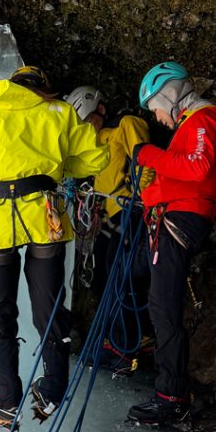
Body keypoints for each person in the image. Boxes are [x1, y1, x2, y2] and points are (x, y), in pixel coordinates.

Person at [0, 66, 109, 428]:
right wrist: (57, 167)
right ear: (43, 88)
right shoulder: (59, 113)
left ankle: (6, 398)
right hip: (44, 216)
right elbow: (94, 159)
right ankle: (53, 388)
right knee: (50, 307)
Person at [127, 61, 216, 426]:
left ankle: (171, 397)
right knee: (145, 289)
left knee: (163, 309)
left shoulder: (202, 121)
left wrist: (147, 154)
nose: (158, 118)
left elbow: (196, 168)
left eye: (155, 108)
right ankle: (150, 369)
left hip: (179, 222)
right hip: (174, 219)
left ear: (169, 95)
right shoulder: (196, 124)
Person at [63, 86, 152, 373]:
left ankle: (125, 346)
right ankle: (119, 339)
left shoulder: (126, 124)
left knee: (120, 276)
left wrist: (143, 196)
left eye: (88, 120)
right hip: (109, 216)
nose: (88, 128)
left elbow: (144, 159)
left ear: (100, 109)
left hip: (130, 211)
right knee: (102, 279)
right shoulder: (96, 140)